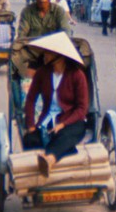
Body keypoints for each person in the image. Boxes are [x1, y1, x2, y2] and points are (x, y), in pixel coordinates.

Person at [23, 32, 89, 177]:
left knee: (66, 134)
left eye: (48, 52)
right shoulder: (42, 73)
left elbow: (82, 109)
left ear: (59, 56)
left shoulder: (77, 75)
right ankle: (55, 156)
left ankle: (50, 159)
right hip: (46, 121)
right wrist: (31, 125)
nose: (45, 55)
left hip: (71, 122)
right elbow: (30, 99)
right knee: (29, 140)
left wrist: (63, 124)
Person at [12, 0, 72, 77]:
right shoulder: (27, 12)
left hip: (54, 53)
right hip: (33, 54)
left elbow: (66, 32)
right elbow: (22, 36)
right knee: (16, 60)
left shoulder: (59, 11)